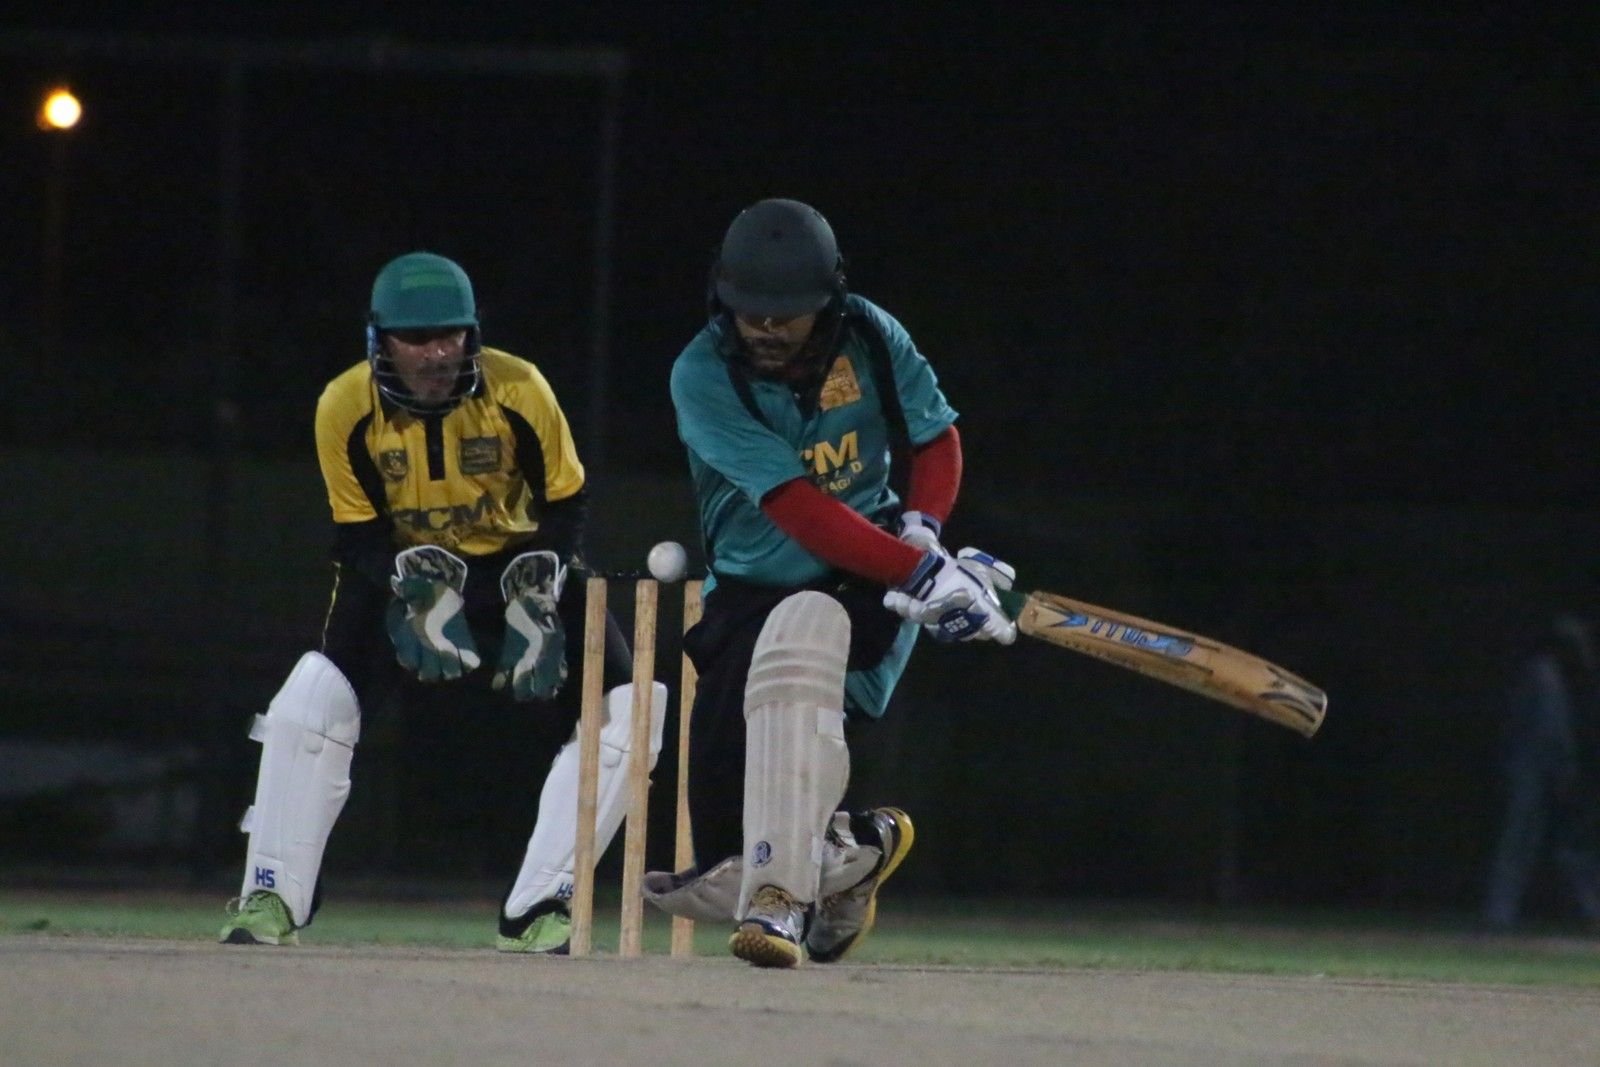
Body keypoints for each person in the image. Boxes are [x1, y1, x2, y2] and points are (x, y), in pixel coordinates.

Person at [219, 251, 665, 952]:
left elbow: (566, 502)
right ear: (380, 339)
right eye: (415, 338)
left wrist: (541, 580)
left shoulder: (520, 388)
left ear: (471, 334)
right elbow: (355, 533)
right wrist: (407, 586)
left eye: (449, 335)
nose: (435, 353)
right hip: (407, 568)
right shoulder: (343, 405)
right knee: (309, 703)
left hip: (519, 565)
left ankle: (542, 906)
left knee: (632, 710)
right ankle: (271, 892)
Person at [643, 199, 1016, 968]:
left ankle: (778, 901)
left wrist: (923, 532)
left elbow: (935, 435)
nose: (766, 327)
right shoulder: (701, 374)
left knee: (807, 626)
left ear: (829, 299)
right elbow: (796, 507)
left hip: (864, 577)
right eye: (750, 310)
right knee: (724, 850)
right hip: (752, 590)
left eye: (787, 312)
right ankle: (856, 848)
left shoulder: (871, 336)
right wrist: (923, 572)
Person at [1482, 615, 1600, 931]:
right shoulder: (1544, 673)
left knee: (1569, 847)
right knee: (1523, 842)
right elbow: (1547, 729)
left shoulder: (1567, 678)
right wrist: (1562, 769)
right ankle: (1499, 914)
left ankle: (1590, 910)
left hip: (1552, 770)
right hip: (1536, 771)